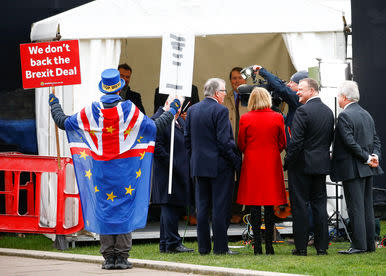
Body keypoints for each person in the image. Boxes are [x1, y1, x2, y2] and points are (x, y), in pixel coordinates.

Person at [48, 68, 180, 269]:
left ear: (103, 87)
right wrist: (172, 110)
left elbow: (63, 122)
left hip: (100, 174)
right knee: (124, 210)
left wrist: (54, 103)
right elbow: (154, 126)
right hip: (126, 173)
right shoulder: (129, 109)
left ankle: (109, 258)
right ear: (119, 88)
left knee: (105, 209)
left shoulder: (91, 111)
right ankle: (122, 257)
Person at [184, 78, 242, 255]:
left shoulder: (192, 110)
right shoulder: (221, 110)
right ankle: (220, 248)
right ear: (217, 93)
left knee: (201, 208)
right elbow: (224, 142)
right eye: (224, 91)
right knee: (219, 208)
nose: (225, 94)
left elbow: (187, 140)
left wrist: (195, 158)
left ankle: (203, 247)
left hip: (199, 166)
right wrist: (236, 162)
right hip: (219, 167)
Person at [330, 80, 383, 255]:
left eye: (339, 95)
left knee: (355, 208)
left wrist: (368, 157)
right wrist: (374, 156)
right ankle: (369, 244)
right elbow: (376, 139)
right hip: (368, 168)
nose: (338, 98)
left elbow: (349, 142)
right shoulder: (366, 114)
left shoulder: (344, 116)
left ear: (344, 97)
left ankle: (359, 245)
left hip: (353, 169)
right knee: (367, 207)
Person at [284, 78, 334, 256]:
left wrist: (287, 161)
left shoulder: (302, 111)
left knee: (300, 206)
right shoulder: (328, 111)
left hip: (301, 166)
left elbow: (296, 143)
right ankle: (322, 247)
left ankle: (301, 247)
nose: (297, 91)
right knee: (319, 205)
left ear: (312, 91)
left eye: (301, 89)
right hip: (320, 165)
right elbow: (328, 139)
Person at [236, 87, 287, 255]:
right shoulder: (277, 117)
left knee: (254, 205)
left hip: (252, 163)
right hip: (271, 161)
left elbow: (241, 143)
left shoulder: (245, 118)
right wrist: (272, 151)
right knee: (270, 203)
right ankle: (270, 245)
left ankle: (257, 244)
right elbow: (282, 142)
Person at [151, 96, 194, 254]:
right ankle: (172, 243)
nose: (179, 110)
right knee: (168, 206)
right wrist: (172, 163)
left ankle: (166, 242)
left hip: (178, 171)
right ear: (168, 104)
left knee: (172, 207)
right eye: (177, 106)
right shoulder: (158, 119)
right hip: (166, 172)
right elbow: (157, 147)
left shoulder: (178, 120)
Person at [252, 65, 308, 142]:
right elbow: (292, 119)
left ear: (300, 86)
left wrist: (261, 71)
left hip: (296, 149)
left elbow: (281, 88)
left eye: (292, 82)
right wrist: (278, 113)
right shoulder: (298, 102)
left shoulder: (299, 99)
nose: (288, 84)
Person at [223, 67, 250, 224]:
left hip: (247, 145)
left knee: (246, 180)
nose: (236, 81)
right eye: (233, 78)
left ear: (245, 80)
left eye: (240, 78)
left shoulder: (251, 96)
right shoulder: (225, 98)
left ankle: (247, 212)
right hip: (230, 144)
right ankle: (234, 211)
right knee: (232, 181)